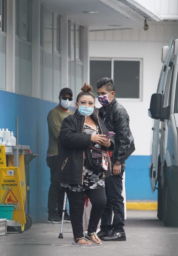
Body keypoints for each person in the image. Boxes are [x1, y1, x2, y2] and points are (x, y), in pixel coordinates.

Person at [58, 83, 115, 245]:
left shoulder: (98, 121)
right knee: (76, 206)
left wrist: (107, 143)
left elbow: (110, 142)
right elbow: (67, 139)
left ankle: (91, 231)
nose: (87, 106)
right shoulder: (69, 120)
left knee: (101, 201)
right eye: (83, 103)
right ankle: (78, 236)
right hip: (76, 170)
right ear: (76, 105)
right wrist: (90, 138)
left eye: (90, 103)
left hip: (96, 170)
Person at [96, 78, 135, 241]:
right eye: (98, 94)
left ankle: (119, 230)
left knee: (115, 196)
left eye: (103, 94)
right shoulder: (102, 110)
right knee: (105, 197)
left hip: (115, 160)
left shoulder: (118, 111)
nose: (100, 97)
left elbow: (125, 139)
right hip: (104, 159)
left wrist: (118, 162)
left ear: (112, 94)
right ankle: (105, 228)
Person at [46, 88, 74, 223]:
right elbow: (59, 135)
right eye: (65, 98)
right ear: (59, 98)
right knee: (56, 184)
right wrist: (74, 140)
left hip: (69, 154)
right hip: (56, 154)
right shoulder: (54, 114)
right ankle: (52, 212)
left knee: (65, 185)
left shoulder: (73, 114)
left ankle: (63, 212)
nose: (67, 100)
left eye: (70, 98)